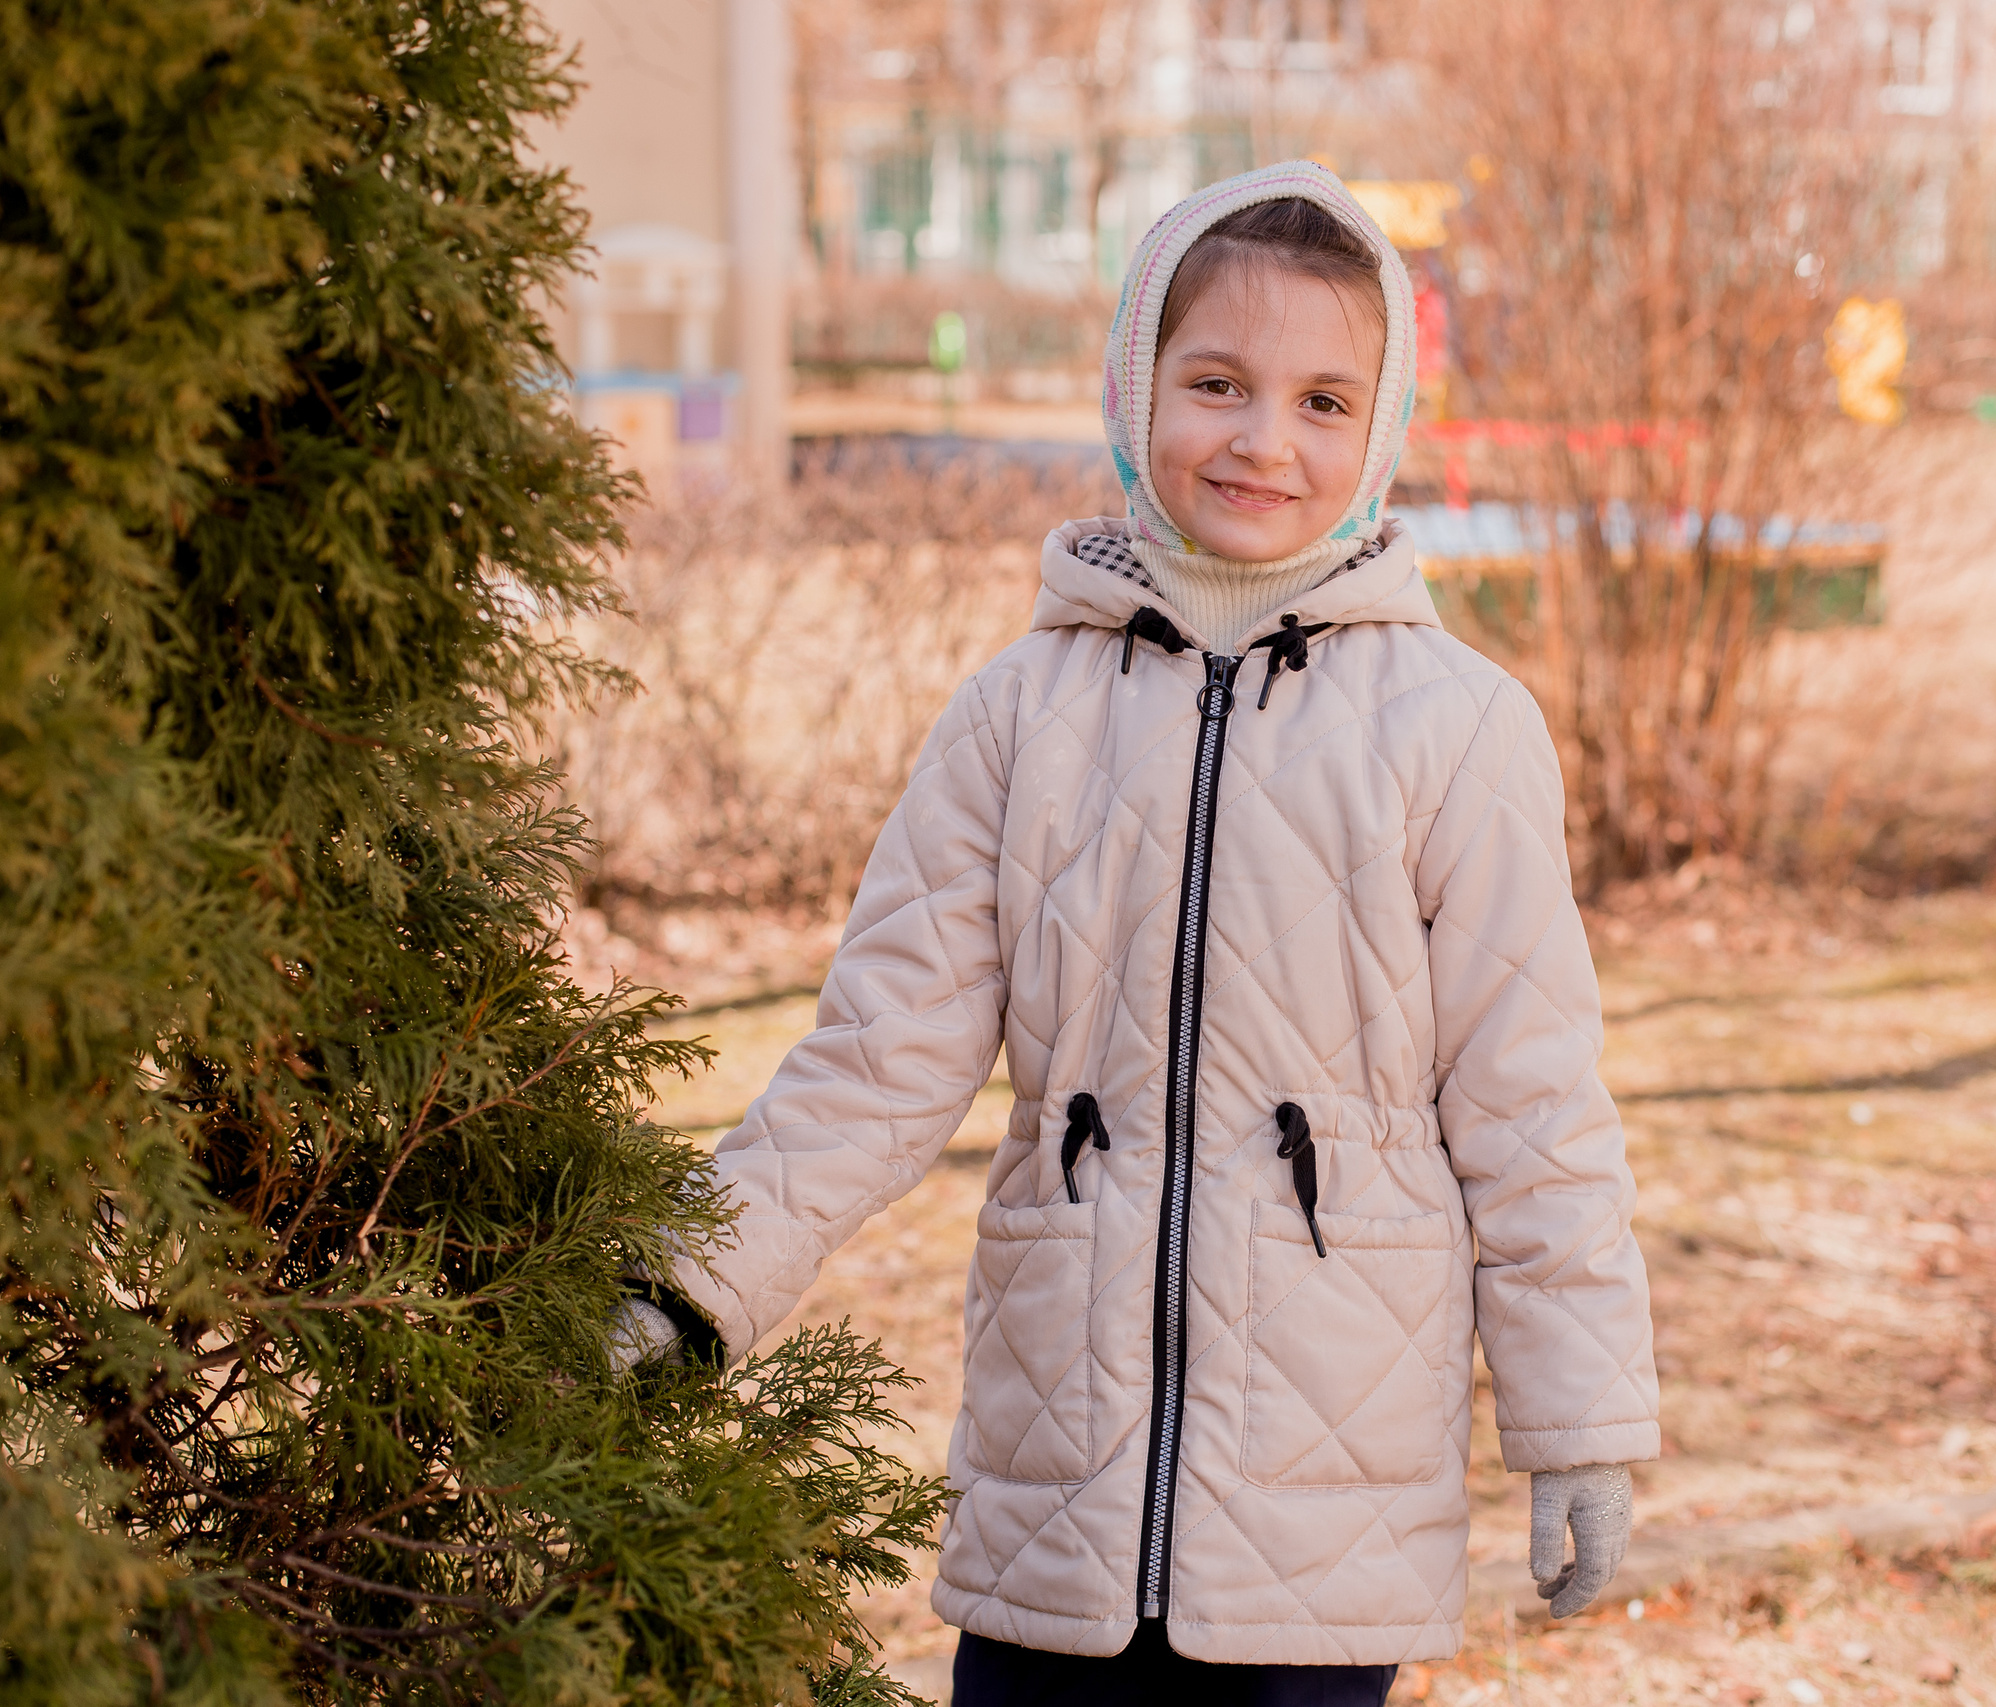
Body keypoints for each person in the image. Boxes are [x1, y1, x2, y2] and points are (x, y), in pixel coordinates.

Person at [611, 161, 1658, 1706]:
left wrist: (1579, 1427)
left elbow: (1534, 1106)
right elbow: (876, 1058)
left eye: (1320, 400)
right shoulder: (1019, 715)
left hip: (1325, 1492)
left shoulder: (1458, 730)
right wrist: (686, 1289)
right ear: (1135, 385)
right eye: (1217, 383)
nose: (1261, 439)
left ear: (1380, 431)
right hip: (1062, 1481)